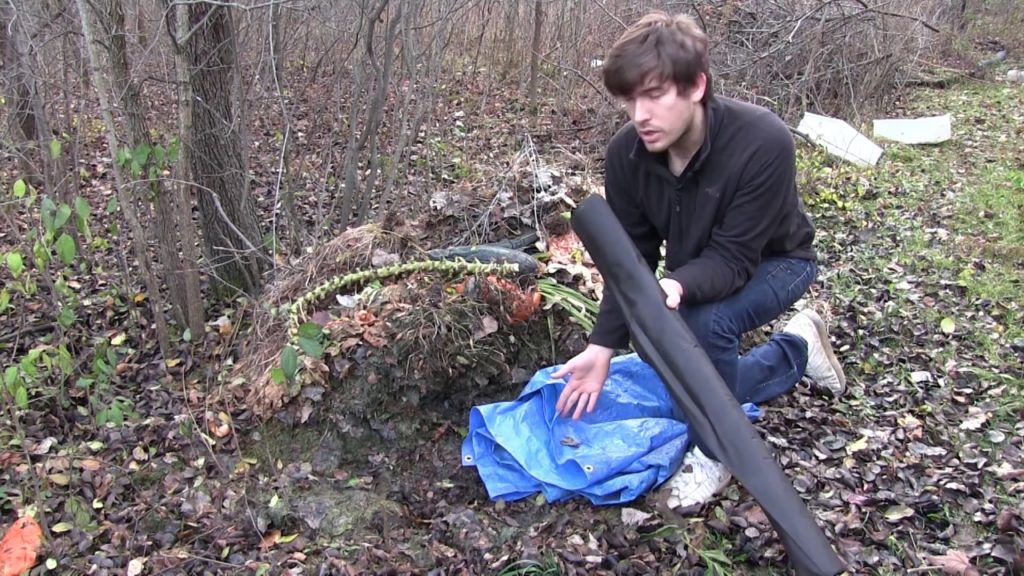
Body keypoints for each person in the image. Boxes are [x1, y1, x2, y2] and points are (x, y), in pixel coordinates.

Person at [552, 12, 847, 511]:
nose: (639, 114)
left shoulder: (762, 141)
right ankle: (796, 349)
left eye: (655, 94)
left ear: (696, 86)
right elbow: (631, 260)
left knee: (703, 326)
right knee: (666, 355)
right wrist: (602, 346)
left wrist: (675, 288)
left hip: (777, 261)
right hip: (700, 268)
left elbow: (734, 260)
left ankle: (716, 453)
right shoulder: (628, 155)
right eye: (629, 99)